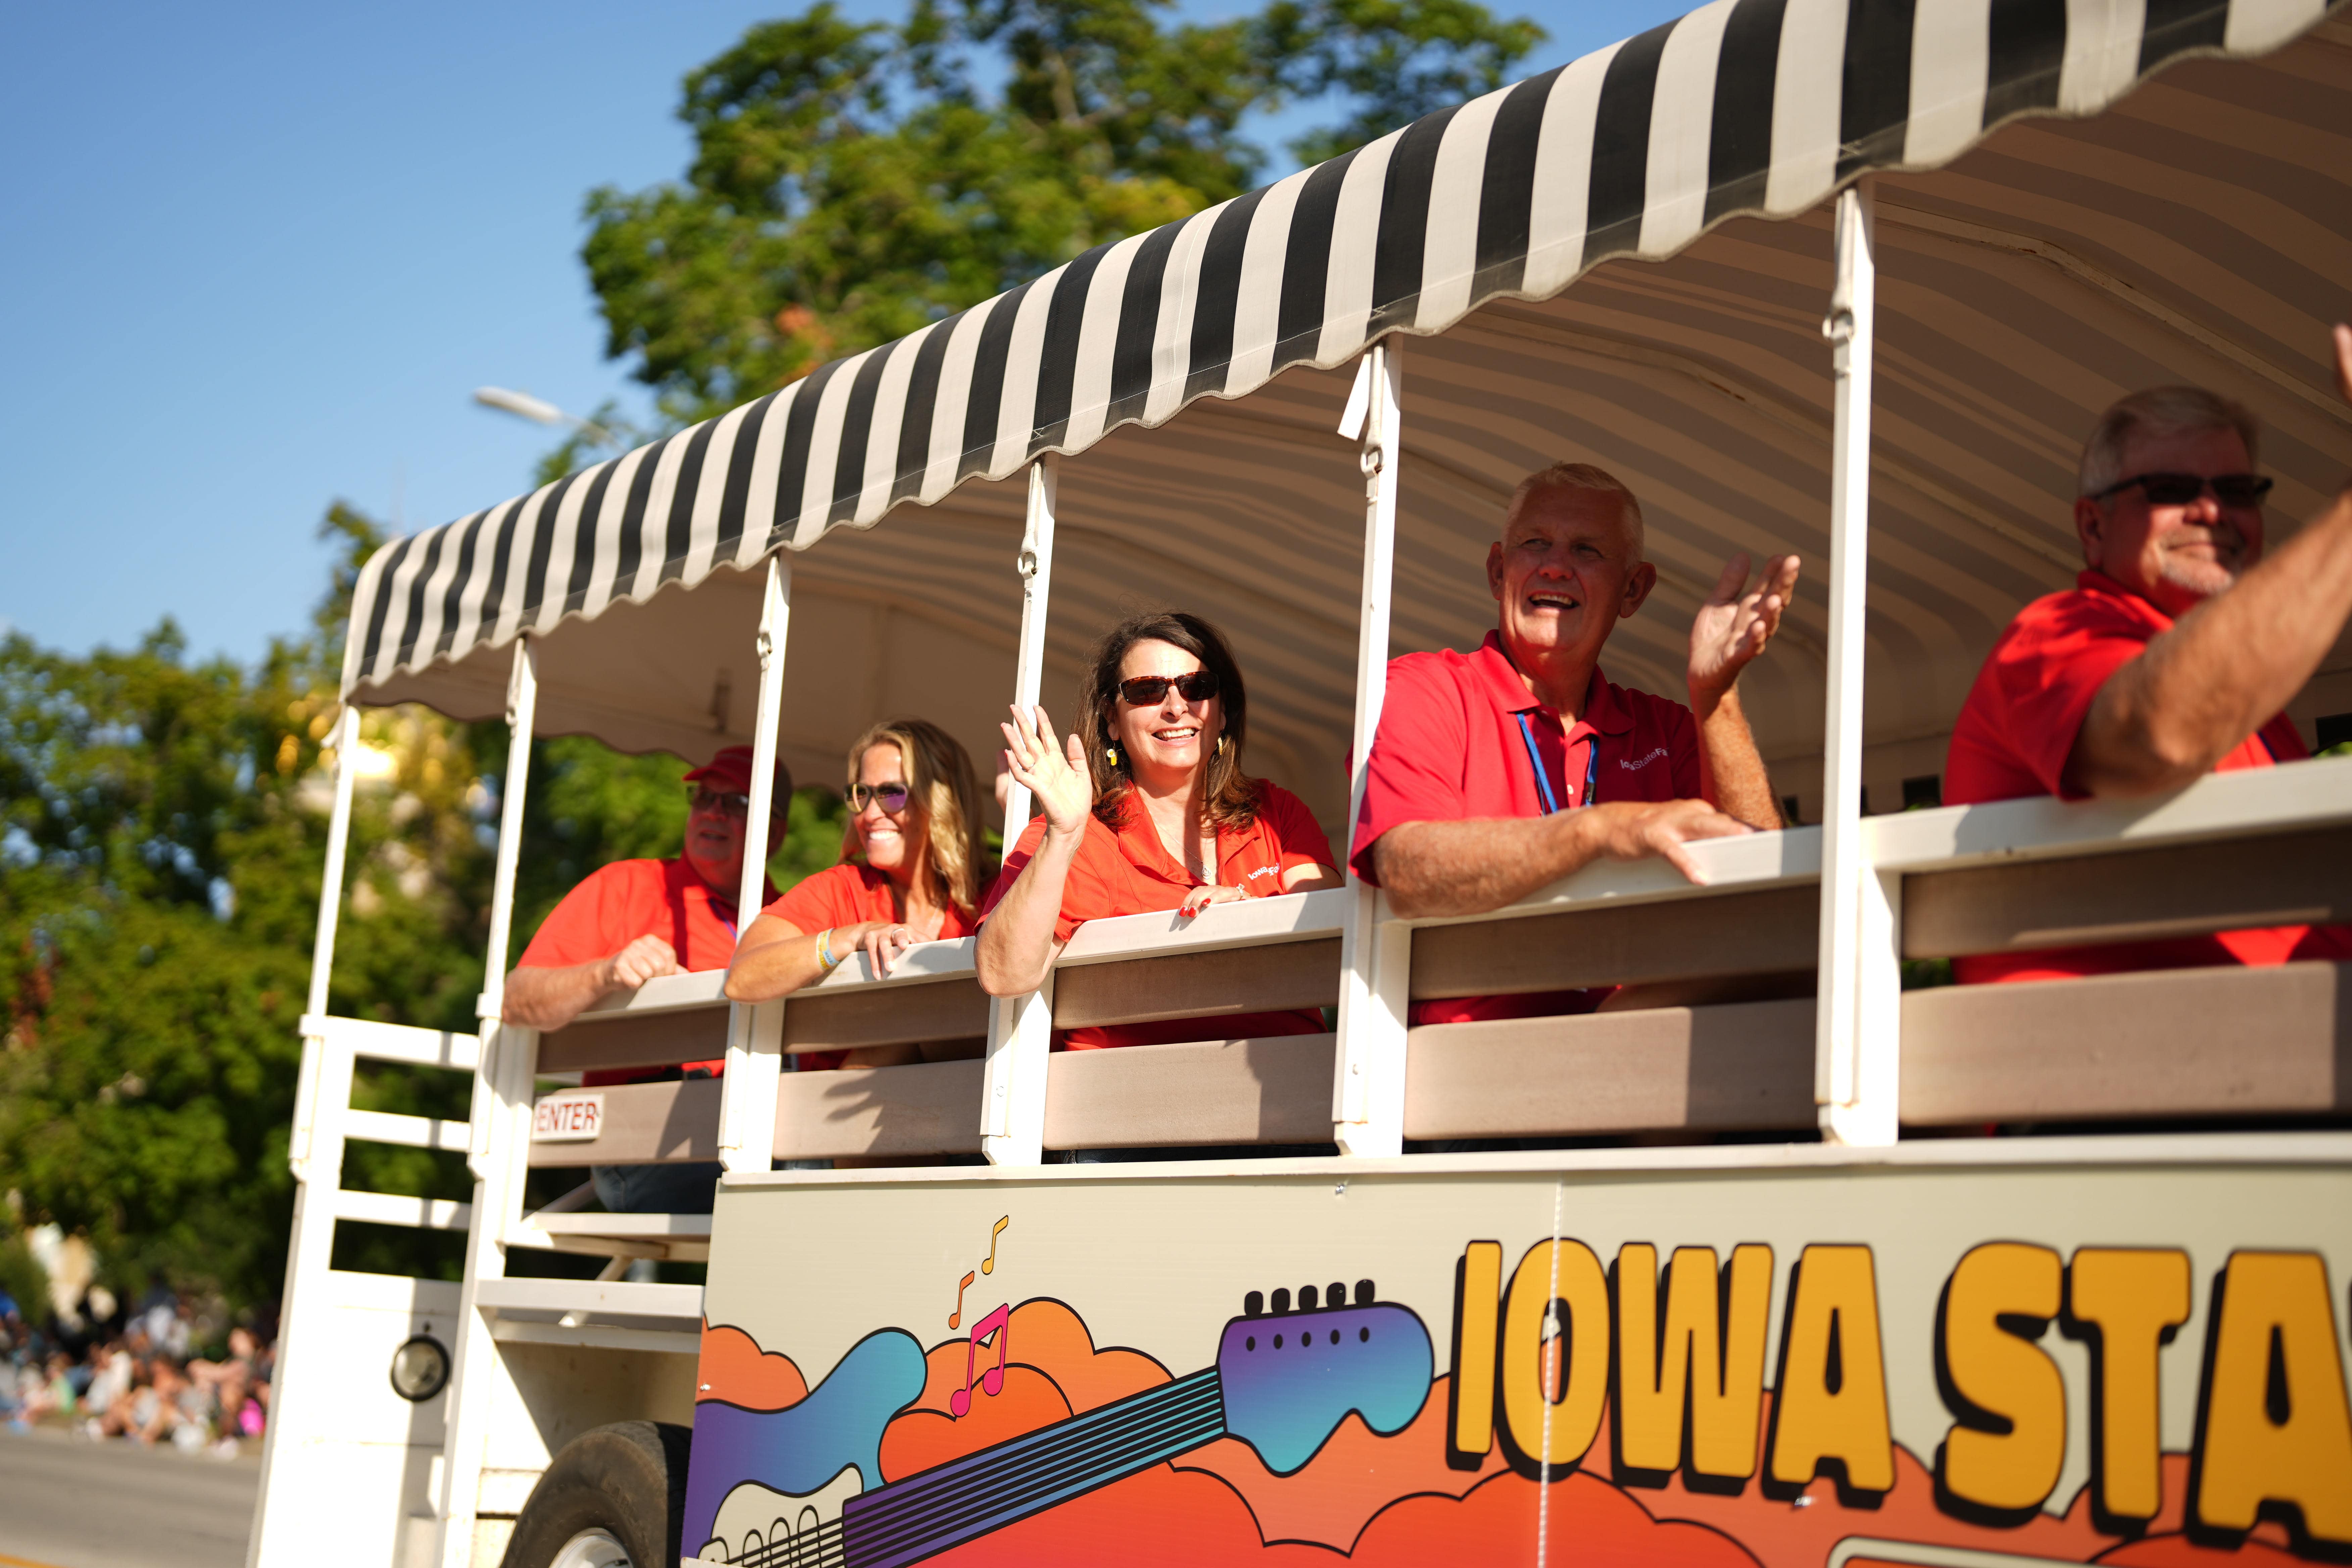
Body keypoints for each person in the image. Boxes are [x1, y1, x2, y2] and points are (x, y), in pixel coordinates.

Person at [1944, 325, 2352, 982]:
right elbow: (2157, 735)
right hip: (2111, 1061)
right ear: (2093, 526)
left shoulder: (2254, 697)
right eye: (2170, 488)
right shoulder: (2051, 633)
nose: (2213, 510)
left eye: (2240, 491)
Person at [1350, 461, 1799, 1023]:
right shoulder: (1424, 689)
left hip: (1645, 1039)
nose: (1556, 566)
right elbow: (1408, 868)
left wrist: (1716, 698)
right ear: (1497, 570)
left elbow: (1767, 891)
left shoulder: (1668, 727)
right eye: (1535, 543)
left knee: (1806, 952)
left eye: (1587, 551)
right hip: (1466, 1066)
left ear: (1632, 590)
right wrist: (1598, 830)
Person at [980, 610, 1345, 1052]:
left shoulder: (1277, 813)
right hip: (1139, 1101)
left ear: (1223, 710)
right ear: (1111, 719)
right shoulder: (1076, 834)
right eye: (1147, 691)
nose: (1176, 707)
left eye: (1197, 688)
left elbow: (1334, 954)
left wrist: (1247, 915)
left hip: (1290, 1089)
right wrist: (1063, 834)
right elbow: (1003, 974)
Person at [504, 743, 791, 1213]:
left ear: (775, 832)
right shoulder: (628, 886)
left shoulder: (791, 918)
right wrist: (606, 972)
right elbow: (517, 1000)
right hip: (649, 1147)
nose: (713, 813)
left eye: (736, 802)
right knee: (805, 1189)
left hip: (766, 1132)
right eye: (703, 797)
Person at [727, 718, 993, 1067]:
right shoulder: (843, 887)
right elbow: (743, 978)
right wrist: (850, 936)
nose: (869, 815)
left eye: (892, 793)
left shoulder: (999, 892)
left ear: (943, 802)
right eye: (861, 794)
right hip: (831, 1110)